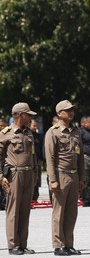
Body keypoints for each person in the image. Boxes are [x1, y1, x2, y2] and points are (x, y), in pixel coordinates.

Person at [45, 100, 85, 256]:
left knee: (71, 212)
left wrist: (82, 178)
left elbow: (80, 156)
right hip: (60, 174)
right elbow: (50, 158)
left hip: (74, 175)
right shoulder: (53, 132)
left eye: (72, 110)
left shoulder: (76, 132)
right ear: (59, 113)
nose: (71, 112)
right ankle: (58, 244)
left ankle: (69, 243)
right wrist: (53, 179)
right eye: (67, 110)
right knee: (59, 212)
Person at [0, 102, 38, 255]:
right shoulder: (6, 133)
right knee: (13, 210)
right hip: (14, 175)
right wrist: (1, 177)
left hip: (29, 174)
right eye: (28, 114)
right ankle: (13, 244)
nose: (30, 117)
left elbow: (33, 155)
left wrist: (35, 174)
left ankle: (22, 243)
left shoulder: (29, 133)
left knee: (24, 210)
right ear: (20, 115)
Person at [28, 118, 43, 201]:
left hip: (37, 161)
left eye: (36, 126)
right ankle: (29, 198)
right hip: (29, 161)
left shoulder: (39, 136)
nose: (35, 127)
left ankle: (35, 198)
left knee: (37, 180)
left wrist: (43, 160)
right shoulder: (27, 135)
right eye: (33, 126)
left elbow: (42, 148)